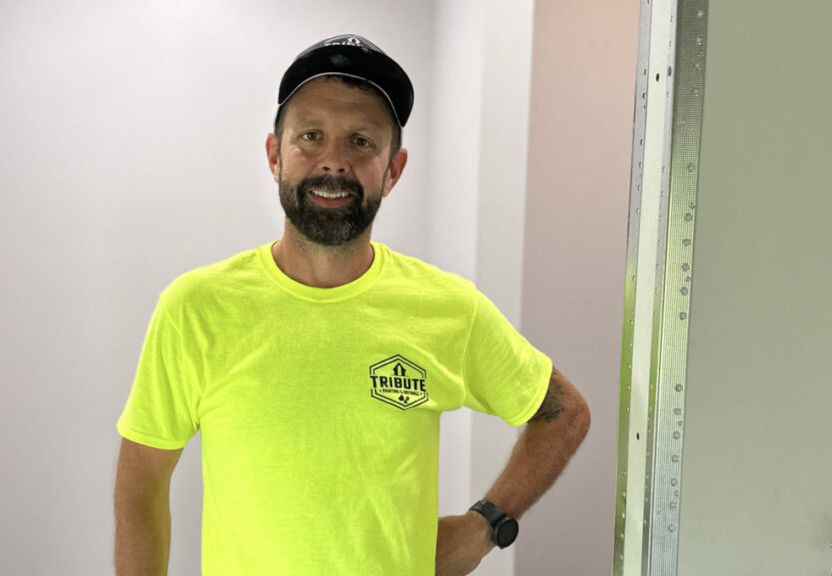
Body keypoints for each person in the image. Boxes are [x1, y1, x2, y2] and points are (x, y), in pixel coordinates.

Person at [114, 34, 590, 576]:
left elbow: (563, 414)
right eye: (310, 136)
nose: (333, 161)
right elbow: (142, 483)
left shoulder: (447, 309)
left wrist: (486, 524)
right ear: (276, 155)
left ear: (394, 168)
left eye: (361, 141)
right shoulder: (196, 308)